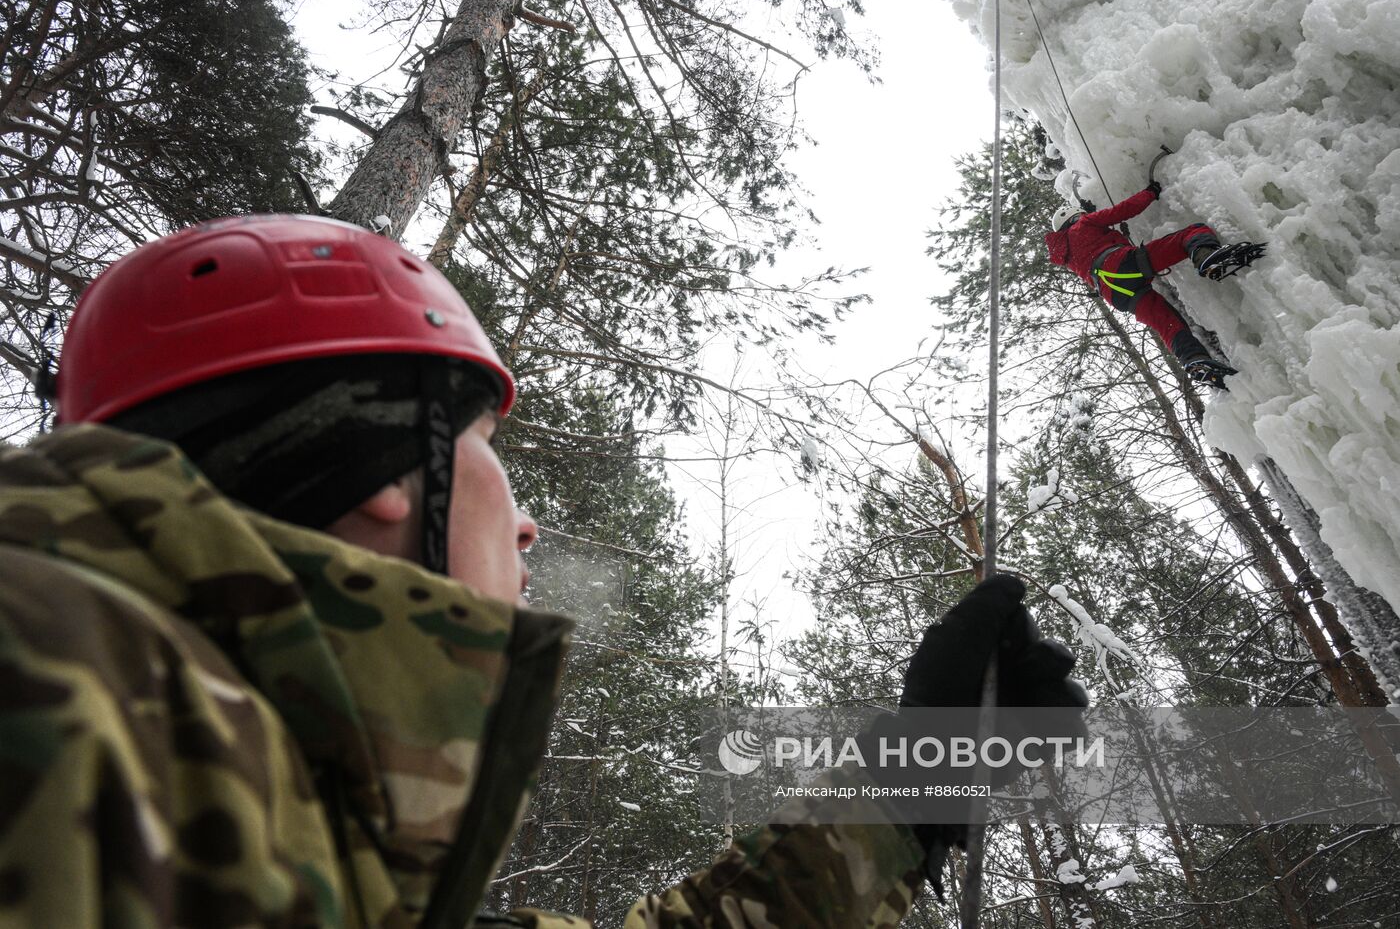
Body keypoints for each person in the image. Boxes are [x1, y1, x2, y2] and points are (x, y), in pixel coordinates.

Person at [0, 214, 1085, 927]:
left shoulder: (292, 816)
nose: (524, 529)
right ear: (386, 469)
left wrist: (914, 787)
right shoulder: (59, 670)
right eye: (489, 456)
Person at [1045, 181, 1266, 388]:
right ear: (1076, 217)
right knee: (1190, 233)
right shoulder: (1084, 223)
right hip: (1123, 265)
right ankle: (1206, 256)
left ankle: (1194, 360)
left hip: (1117, 294)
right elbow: (1123, 210)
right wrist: (1150, 192)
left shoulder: (1067, 256)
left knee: (1168, 324)